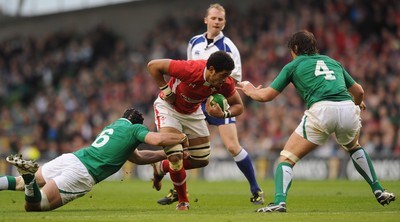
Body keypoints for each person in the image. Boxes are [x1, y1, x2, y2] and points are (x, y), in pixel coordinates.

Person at [236, 30, 396, 212]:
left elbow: (266, 96)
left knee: (286, 158)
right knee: (353, 147)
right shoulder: (333, 62)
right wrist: (357, 105)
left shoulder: (293, 65)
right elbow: (359, 91)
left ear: (295, 48)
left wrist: (249, 89)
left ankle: (279, 202)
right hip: (347, 107)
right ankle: (378, 190)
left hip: (322, 110)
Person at [156, 3, 264, 206]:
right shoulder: (194, 42)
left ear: (225, 22)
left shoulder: (229, 47)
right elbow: (189, 70)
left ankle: (255, 188)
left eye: (220, 19)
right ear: (206, 20)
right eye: (213, 18)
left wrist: (225, 99)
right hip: (194, 100)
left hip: (217, 98)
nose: (217, 22)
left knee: (232, 146)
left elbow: (234, 78)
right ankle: (177, 190)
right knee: (183, 148)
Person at [0, 107, 188, 211]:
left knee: (16, 184)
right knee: (35, 205)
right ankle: (29, 178)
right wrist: (182, 138)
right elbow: (158, 139)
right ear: (138, 124)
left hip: (72, 158)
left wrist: (165, 154)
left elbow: (137, 157)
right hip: (83, 173)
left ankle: (25, 178)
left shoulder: (111, 127)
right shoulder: (135, 129)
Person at [148, 50, 244, 210]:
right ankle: (183, 202)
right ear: (211, 69)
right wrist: (166, 91)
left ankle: (161, 167)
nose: (225, 80)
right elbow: (153, 66)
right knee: (176, 155)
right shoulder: (190, 69)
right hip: (169, 108)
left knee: (201, 160)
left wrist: (224, 114)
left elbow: (239, 106)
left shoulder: (225, 83)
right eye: (223, 74)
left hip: (192, 112)